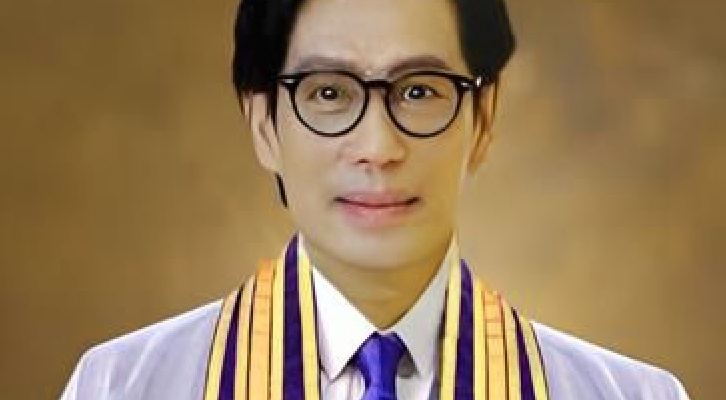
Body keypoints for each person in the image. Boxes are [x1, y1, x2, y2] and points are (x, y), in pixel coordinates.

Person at [58, 0, 692, 399]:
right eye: (329, 93)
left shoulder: (632, 395)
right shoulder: (120, 386)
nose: (378, 147)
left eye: (418, 91)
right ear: (264, 125)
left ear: (483, 117)